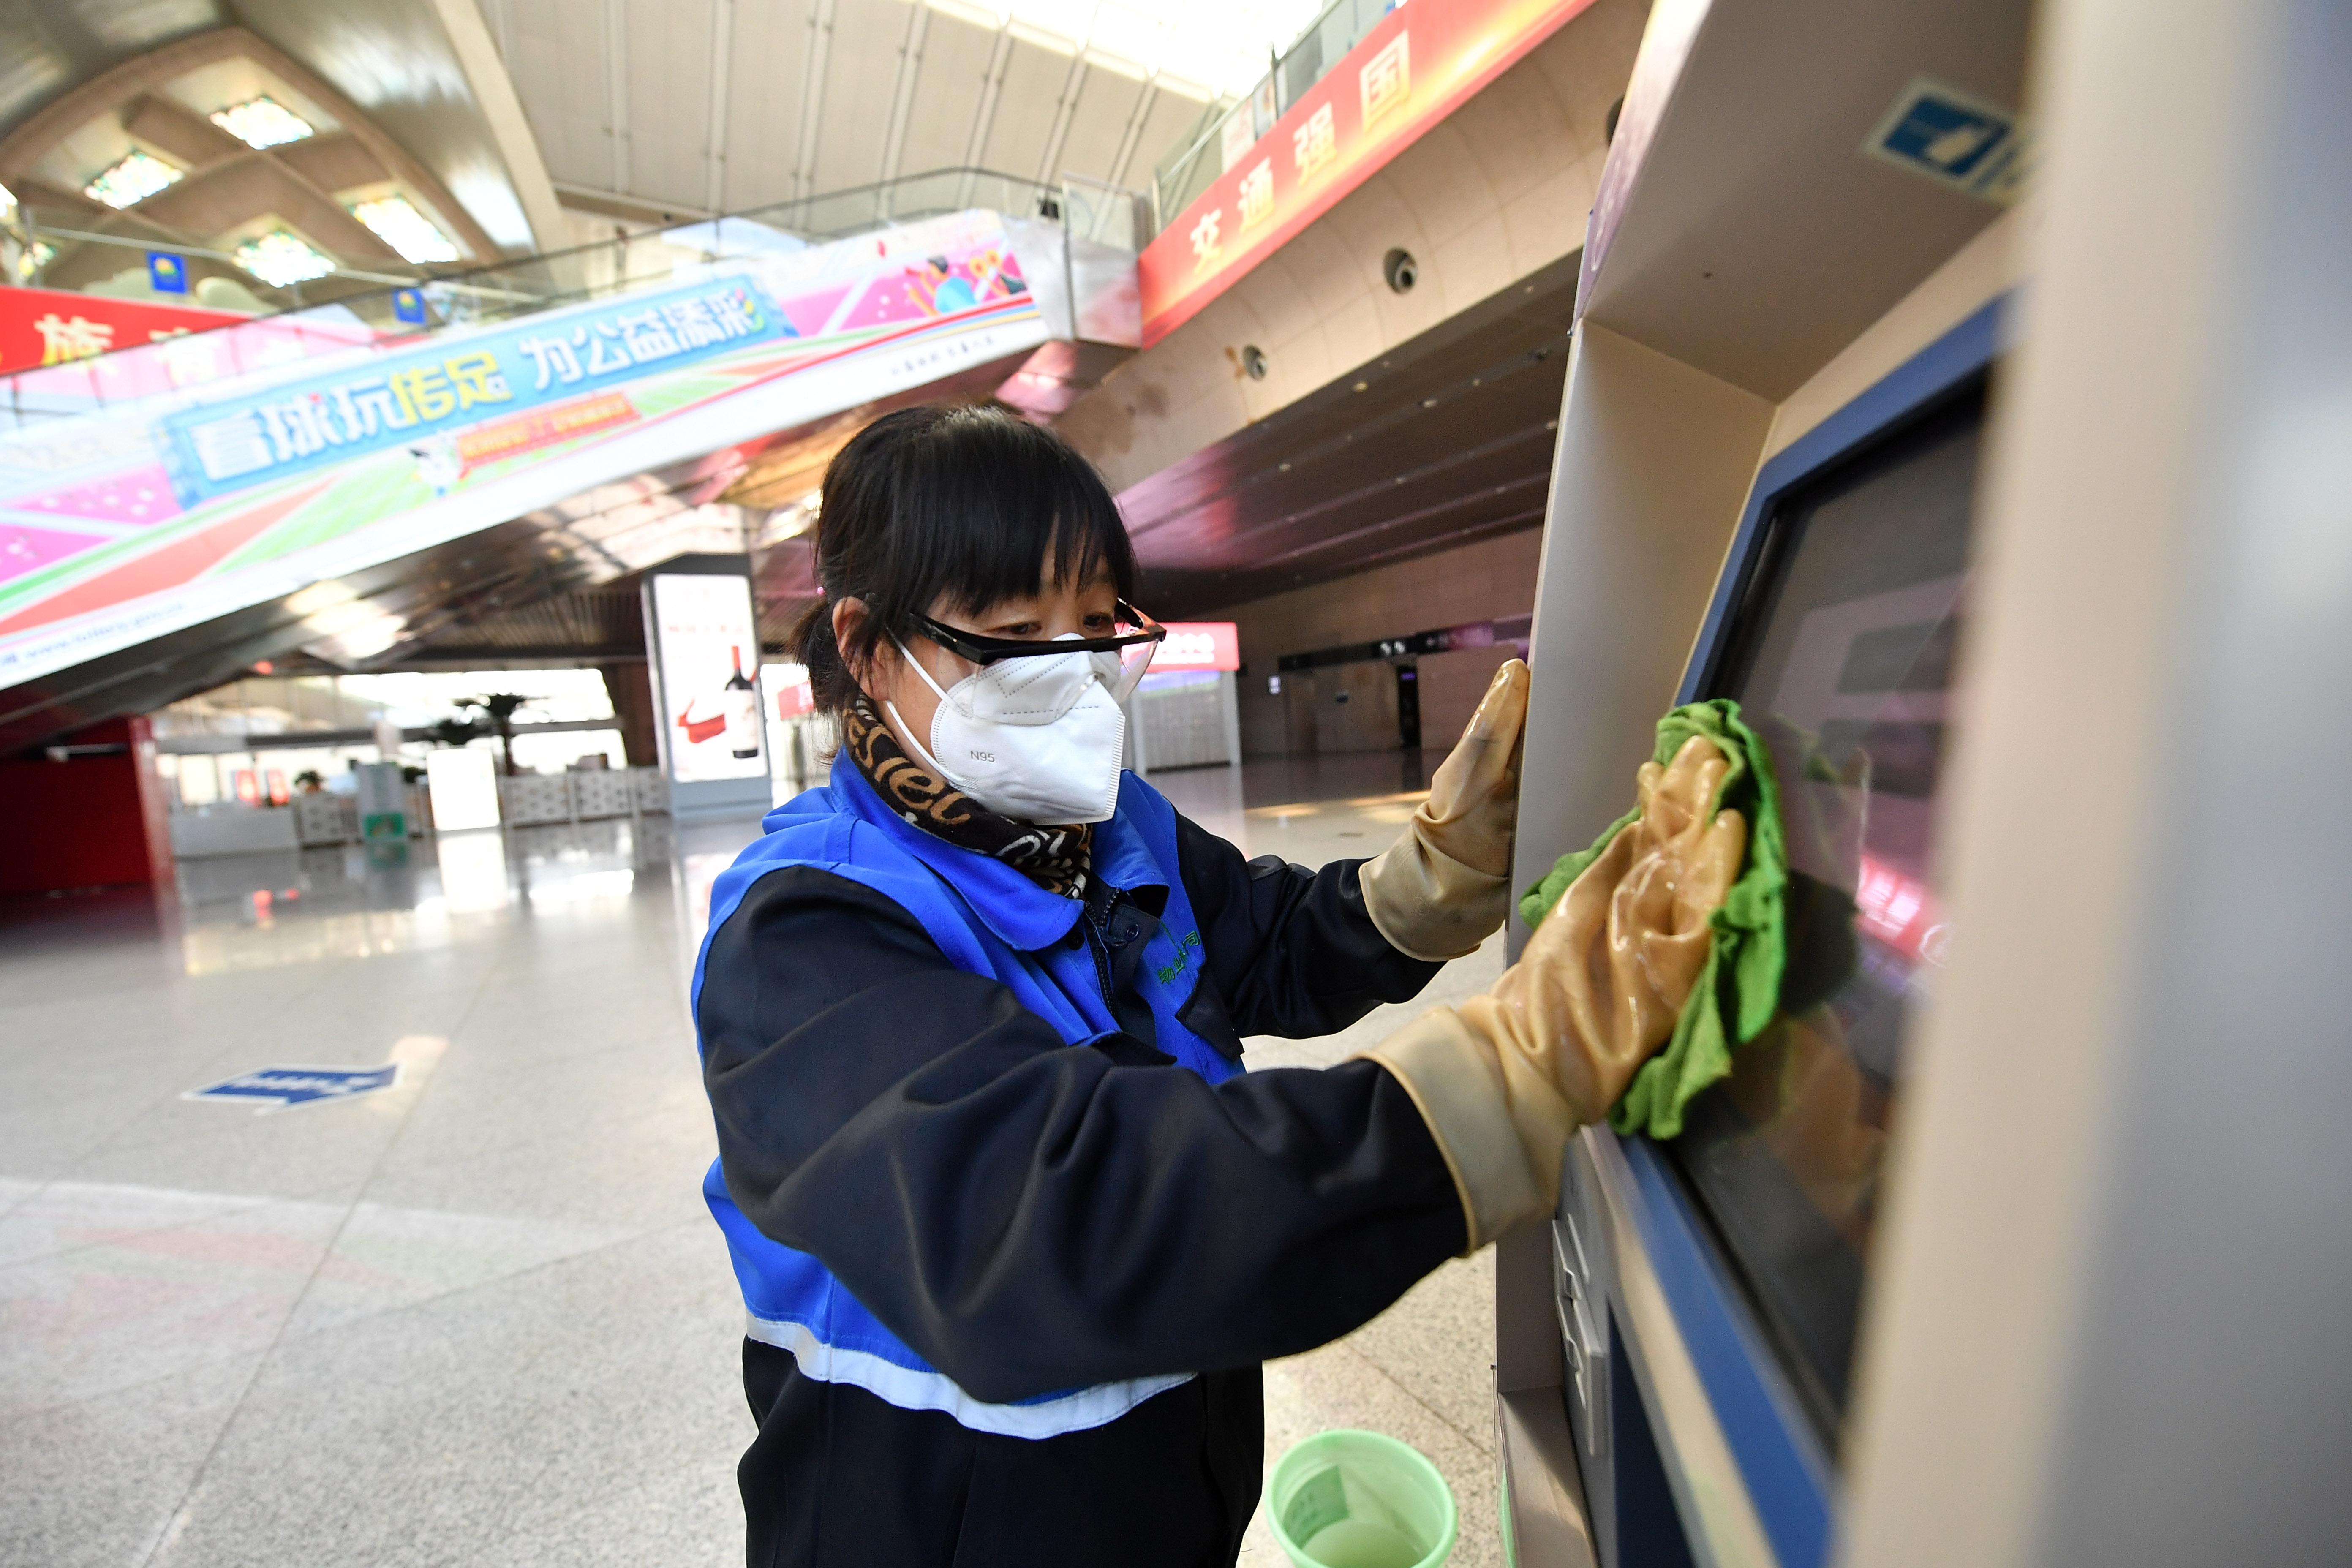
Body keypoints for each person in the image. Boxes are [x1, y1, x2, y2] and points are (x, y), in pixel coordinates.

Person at [691, 404, 1722, 1566]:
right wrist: (1510, 1078)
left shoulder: (1106, 827)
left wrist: (1428, 880)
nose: (1078, 674)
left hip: (1167, 1490)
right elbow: (1047, 1218)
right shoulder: (807, 929)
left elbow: (1255, 941)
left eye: (1093, 622)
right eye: (1018, 630)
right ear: (873, 649)